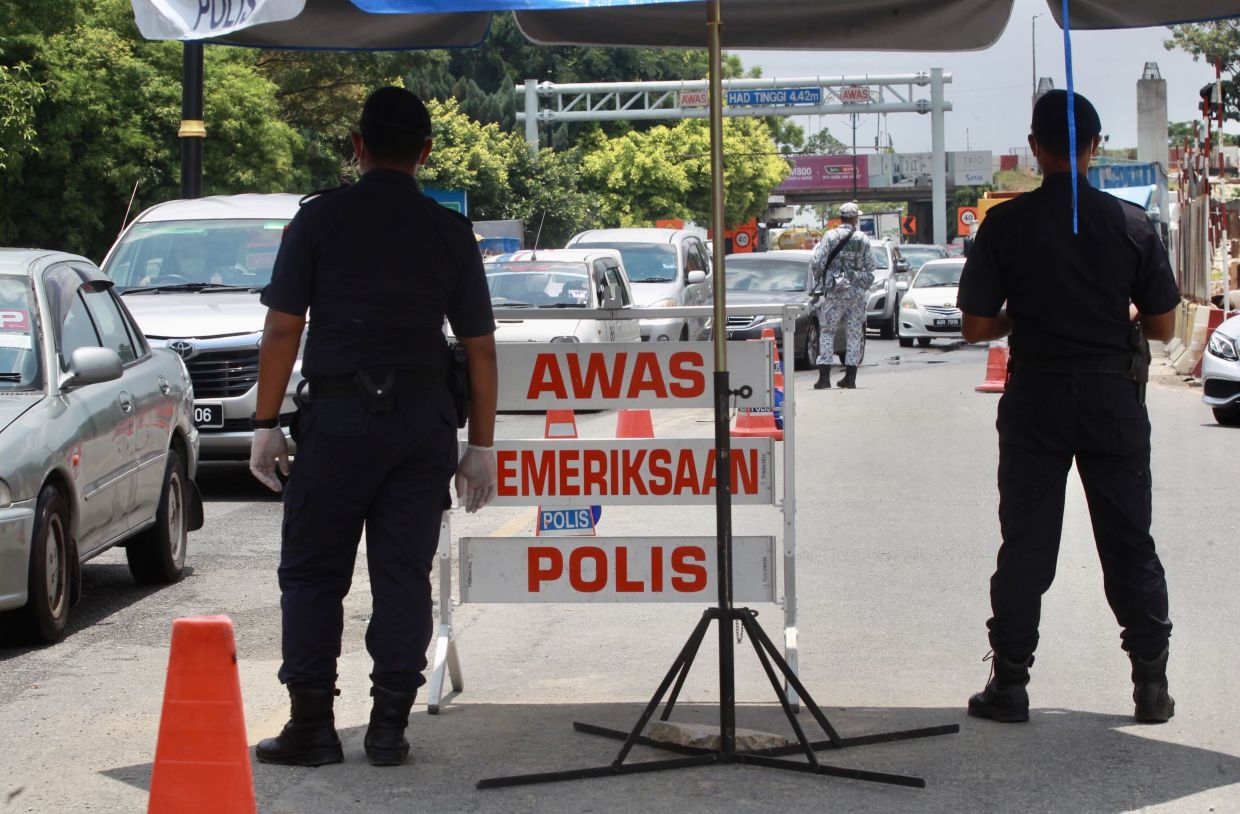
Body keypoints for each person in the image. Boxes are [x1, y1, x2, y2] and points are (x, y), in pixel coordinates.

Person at [248, 86, 499, 767]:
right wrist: (480, 445)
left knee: (311, 574)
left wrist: (266, 423)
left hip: (336, 420)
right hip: (422, 423)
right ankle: (389, 728)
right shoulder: (449, 232)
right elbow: (479, 347)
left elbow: (281, 328)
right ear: (424, 153)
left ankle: (313, 728)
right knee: (402, 576)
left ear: (357, 147)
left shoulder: (319, 221)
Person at [957, 89, 1179, 725]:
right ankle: (1151, 686)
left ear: (1034, 147)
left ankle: (1011, 683)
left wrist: (1019, 316)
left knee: (1026, 544)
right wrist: (1125, 311)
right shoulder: (1133, 225)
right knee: (1129, 542)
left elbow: (976, 328)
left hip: (1036, 397)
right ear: (1096, 145)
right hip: (1113, 397)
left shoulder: (1006, 223)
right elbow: (1163, 328)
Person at [810, 201, 874, 389]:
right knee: (854, 333)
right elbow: (871, 266)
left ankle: (824, 378)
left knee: (828, 332)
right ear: (855, 219)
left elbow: (817, 262)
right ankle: (850, 378)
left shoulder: (830, 236)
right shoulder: (862, 238)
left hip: (835, 293)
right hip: (856, 293)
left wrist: (820, 277)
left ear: (840, 218)